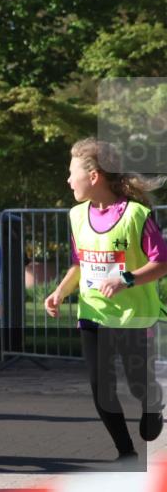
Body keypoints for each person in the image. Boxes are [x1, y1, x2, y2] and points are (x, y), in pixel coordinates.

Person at [44, 138, 166, 461]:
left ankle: (152, 402)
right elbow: (79, 263)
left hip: (133, 317)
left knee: (139, 382)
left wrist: (127, 279)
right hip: (93, 315)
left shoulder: (136, 215)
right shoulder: (75, 216)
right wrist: (60, 291)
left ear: (94, 176)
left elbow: (162, 263)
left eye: (72, 174)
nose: (68, 181)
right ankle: (126, 453)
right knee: (101, 390)